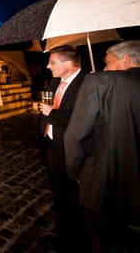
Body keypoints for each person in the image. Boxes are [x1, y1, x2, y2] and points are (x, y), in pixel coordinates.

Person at [64, 40, 140, 253]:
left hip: (104, 182)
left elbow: (75, 135)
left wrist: (76, 171)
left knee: (101, 241)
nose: (104, 68)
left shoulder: (100, 81)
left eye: (108, 63)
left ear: (125, 59)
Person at [39, 45, 88, 251]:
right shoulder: (56, 80)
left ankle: (76, 242)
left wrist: (51, 113)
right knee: (59, 195)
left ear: (67, 64)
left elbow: (82, 118)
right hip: (51, 145)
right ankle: (63, 237)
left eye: (52, 62)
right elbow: (49, 105)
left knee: (74, 199)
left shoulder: (87, 83)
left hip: (72, 149)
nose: (48, 66)